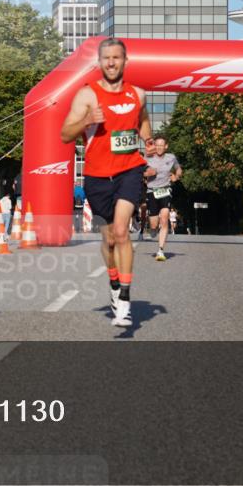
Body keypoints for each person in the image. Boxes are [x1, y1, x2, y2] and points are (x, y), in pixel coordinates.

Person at [60, 37, 154, 328]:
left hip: (129, 170)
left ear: (126, 61)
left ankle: (124, 300)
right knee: (109, 238)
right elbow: (65, 134)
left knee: (123, 232)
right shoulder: (86, 96)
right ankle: (114, 282)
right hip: (97, 176)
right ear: (99, 63)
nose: (111, 63)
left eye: (116, 57)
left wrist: (147, 140)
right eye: (106, 58)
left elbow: (142, 121)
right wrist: (88, 119)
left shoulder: (138, 94)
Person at [144, 136, 182, 261]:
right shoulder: (148, 157)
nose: (159, 147)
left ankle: (161, 250)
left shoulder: (171, 157)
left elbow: (178, 169)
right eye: (157, 145)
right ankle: (153, 228)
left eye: (162, 145)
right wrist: (147, 173)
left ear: (166, 146)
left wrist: (177, 176)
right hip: (151, 191)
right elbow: (140, 172)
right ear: (154, 146)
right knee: (154, 223)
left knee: (165, 217)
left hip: (165, 190)